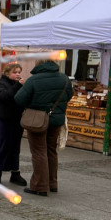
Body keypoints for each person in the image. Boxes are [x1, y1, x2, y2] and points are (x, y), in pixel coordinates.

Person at [15, 58, 73, 196]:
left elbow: (19, 99)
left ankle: (40, 186)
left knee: (39, 151)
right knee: (51, 150)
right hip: (56, 119)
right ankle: (52, 183)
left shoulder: (33, 80)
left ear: (38, 65)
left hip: (38, 120)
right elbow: (69, 96)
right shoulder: (65, 79)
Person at [0, 63, 27, 186]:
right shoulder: (2, 83)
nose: (18, 74)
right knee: (4, 145)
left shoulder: (18, 85)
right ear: (7, 74)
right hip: (5, 119)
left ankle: (15, 173)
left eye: (19, 72)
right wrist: (18, 85)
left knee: (15, 147)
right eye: (15, 72)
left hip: (17, 120)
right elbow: (3, 96)